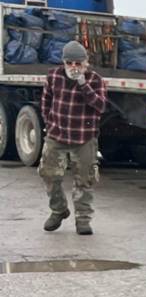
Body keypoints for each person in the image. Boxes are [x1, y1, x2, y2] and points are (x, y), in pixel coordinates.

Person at [39, 40, 107, 235]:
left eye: (78, 63)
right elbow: (46, 102)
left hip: (84, 137)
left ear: (86, 62)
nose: (74, 67)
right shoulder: (54, 76)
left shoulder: (95, 80)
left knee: (85, 179)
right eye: (70, 63)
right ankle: (58, 210)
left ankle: (83, 220)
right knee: (48, 173)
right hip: (57, 134)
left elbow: (100, 106)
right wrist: (50, 124)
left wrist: (83, 84)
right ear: (63, 62)